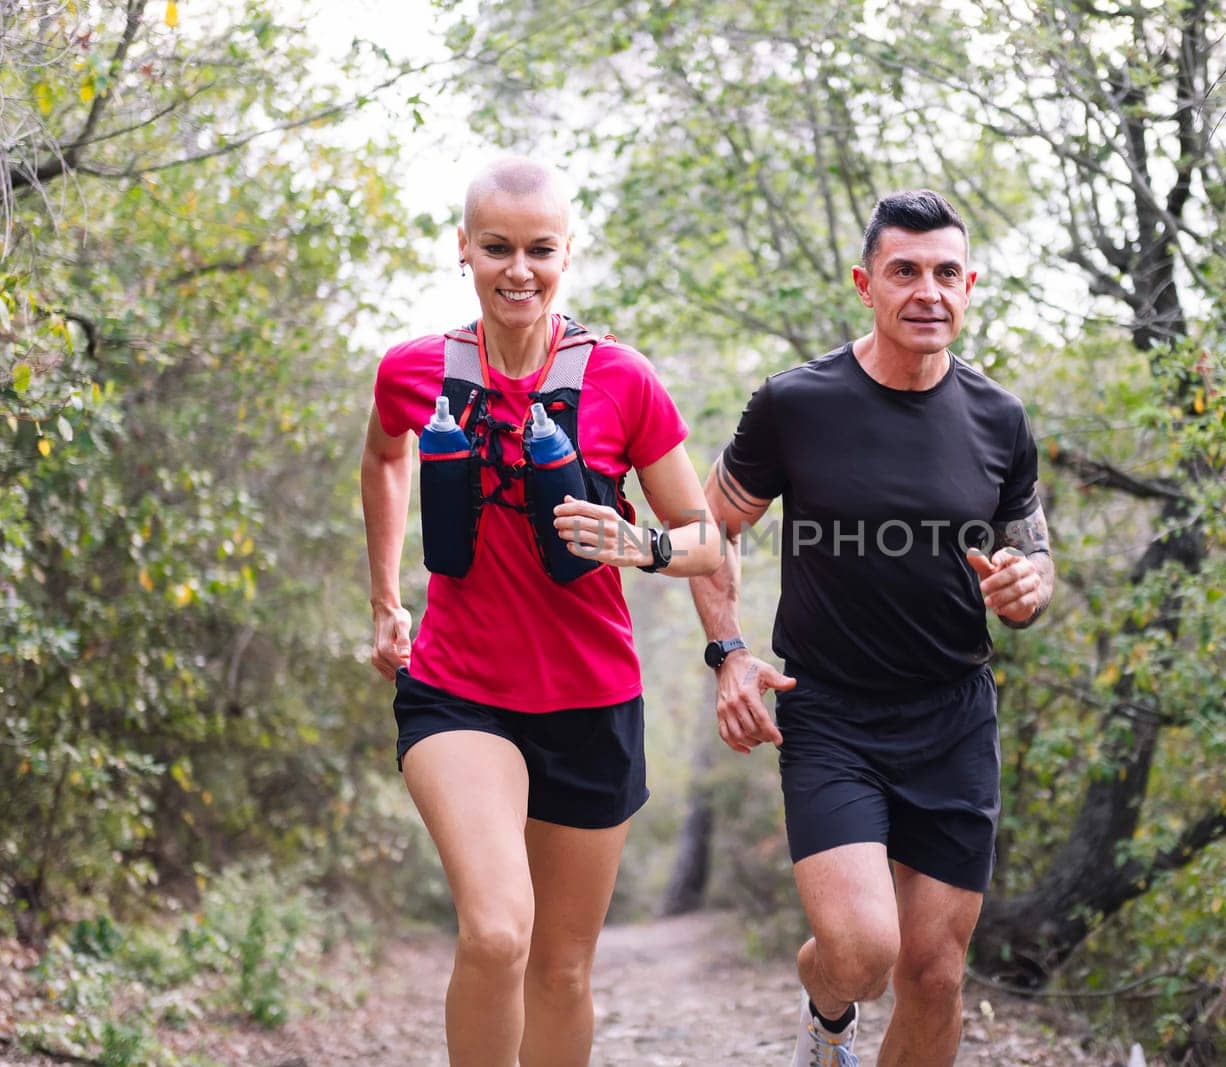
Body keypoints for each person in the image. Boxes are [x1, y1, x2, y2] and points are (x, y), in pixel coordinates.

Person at [360, 157, 721, 1066]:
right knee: (494, 933)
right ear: (464, 251)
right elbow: (387, 458)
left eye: (539, 250)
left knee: (560, 970)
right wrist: (384, 598)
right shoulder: (413, 369)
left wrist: (643, 546)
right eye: (497, 249)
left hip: (592, 701)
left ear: (566, 254)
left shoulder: (622, 380)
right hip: (458, 691)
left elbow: (708, 536)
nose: (518, 269)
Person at [690, 189, 1053, 1067]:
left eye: (945, 273)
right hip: (831, 714)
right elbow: (712, 532)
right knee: (862, 954)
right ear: (866, 283)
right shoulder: (795, 404)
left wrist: (1026, 585)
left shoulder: (1000, 419)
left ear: (969, 286)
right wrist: (731, 655)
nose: (927, 291)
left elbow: (1031, 557)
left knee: (933, 970)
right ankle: (827, 1010)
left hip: (953, 714)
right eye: (905, 272)